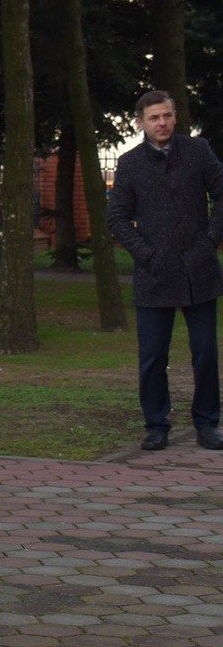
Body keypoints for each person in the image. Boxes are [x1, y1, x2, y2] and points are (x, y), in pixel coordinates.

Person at [107, 89, 223, 451]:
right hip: (154, 274)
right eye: (155, 117)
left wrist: (211, 240)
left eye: (168, 116)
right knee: (153, 356)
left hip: (198, 270)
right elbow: (118, 217)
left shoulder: (198, 151)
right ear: (140, 122)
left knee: (205, 352)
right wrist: (145, 253)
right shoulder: (129, 163)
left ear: (175, 117)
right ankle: (156, 425)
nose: (162, 123)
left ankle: (207, 424)